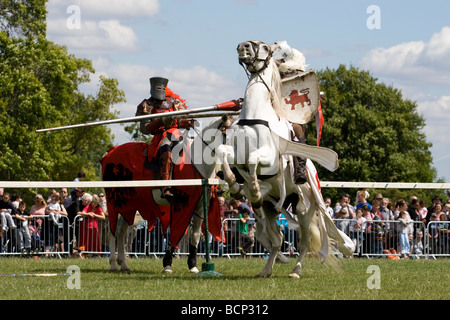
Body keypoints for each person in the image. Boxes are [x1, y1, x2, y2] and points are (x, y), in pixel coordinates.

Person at [135, 77, 195, 199]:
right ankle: (165, 186)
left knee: (200, 150)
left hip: (177, 133)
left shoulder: (175, 103)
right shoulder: (147, 105)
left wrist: (188, 123)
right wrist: (160, 121)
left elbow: (181, 121)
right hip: (161, 136)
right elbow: (145, 128)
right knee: (167, 152)